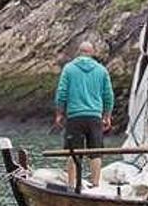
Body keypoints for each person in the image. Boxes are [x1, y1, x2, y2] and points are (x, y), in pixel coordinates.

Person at [54, 41, 114, 188]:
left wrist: (59, 114)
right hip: (94, 117)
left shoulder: (69, 69)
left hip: (75, 117)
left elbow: (61, 93)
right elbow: (109, 95)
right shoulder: (101, 70)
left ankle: (72, 184)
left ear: (79, 52)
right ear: (92, 53)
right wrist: (106, 116)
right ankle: (95, 185)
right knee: (96, 152)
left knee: (74, 152)